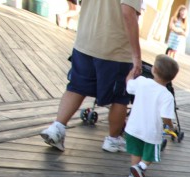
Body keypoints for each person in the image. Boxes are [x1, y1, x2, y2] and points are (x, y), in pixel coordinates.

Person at [39, 0, 142, 154]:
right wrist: (136, 56)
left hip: (85, 40)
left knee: (76, 87)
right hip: (114, 48)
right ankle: (113, 140)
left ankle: (57, 128)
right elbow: (127, 12)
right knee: (120, 97)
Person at [125, 54, 179, 177]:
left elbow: (129, 86)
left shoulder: (142, 81)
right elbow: (165, 117)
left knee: (136, 150)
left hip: (133, 127)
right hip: (151, 131)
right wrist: (171, 127)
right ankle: (141, 167)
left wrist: (130, 74)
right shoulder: (167, 95)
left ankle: (134, 173)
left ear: (153, 70)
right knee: (151, 152)